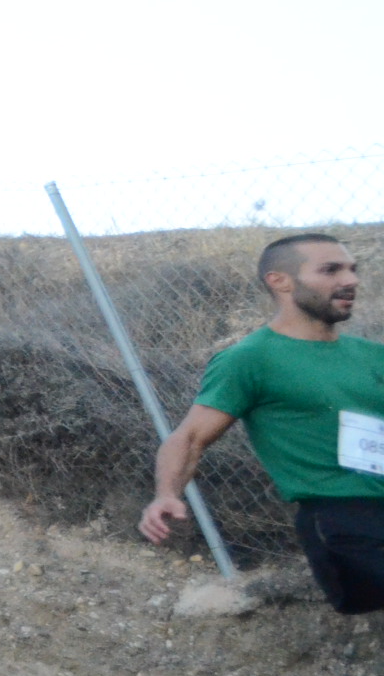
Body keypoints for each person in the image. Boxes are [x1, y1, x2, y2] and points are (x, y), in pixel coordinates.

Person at [143, 233, 384, 613]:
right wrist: (167, 493)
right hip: (344, 521)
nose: (350, 280)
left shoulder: (371, 356)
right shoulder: (250, 359)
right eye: (331, 270)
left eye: (353, 270)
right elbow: (190, 436)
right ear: (280, 281)